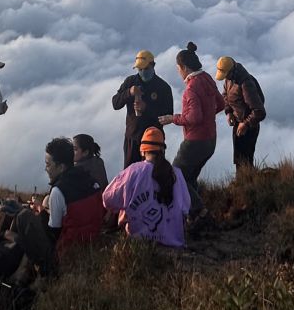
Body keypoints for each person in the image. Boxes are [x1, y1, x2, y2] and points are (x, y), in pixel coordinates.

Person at [158, 42, 224, 215]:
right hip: (211, 139)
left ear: (184, 67)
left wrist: (173, 119)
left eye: (178, 68)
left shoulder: (191, 89)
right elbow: (221, 104)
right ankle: (192, 212)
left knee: (176, 176)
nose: (178, 72)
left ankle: (199, 211)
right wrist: (208, 117)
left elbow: (194, 117)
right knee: (189, 177)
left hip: (195, 141)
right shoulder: (207, 79)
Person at [102, 126, 191, 248]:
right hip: (173, 242)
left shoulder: (133, 171)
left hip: (138, 242)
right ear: (162, 150)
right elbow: (186, 207)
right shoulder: (176, 174)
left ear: (142, 151)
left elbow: (108, 198)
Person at [38, 136, 104, 254]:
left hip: (70, 250)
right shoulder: (90, 180)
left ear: (61, 167)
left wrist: (42, 214)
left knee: (34, 218)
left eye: (48, 164)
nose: (46, 169)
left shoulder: (58, 191)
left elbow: (54, 231)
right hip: (95, 241)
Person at [111, 49, 175, 170]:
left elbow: (168, 116)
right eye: (139, 69)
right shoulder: (130, 82)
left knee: (155, 174)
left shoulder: (163, 87)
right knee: (131, 174)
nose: (142, 72)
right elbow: (115, 103)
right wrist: (128, 93)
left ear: (153, 65)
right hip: (132, 138)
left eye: (145, 69)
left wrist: (147, 108)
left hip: (153, 140)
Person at [215, 57, 266, 172]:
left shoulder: (245, 83)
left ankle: (247, 185)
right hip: (239, 124)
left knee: (245, 161)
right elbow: (225, 96)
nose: (225, 78)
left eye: (226, 75)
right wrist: (229, 112)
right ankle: (243, 183)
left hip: (249, 128)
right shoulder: (230, 79)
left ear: (232, 70)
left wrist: (245, 124)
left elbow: (259, 112)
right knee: (239, 160)